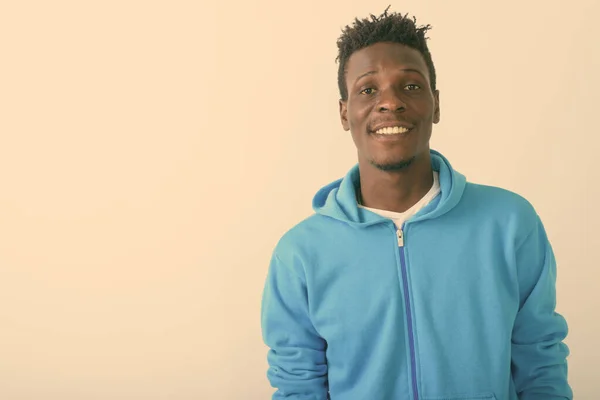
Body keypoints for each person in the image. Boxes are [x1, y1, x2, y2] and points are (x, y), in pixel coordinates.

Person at [260, 6, 572, 400]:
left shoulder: (509, 224)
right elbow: (298, 385)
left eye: (409, 86)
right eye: (368, 89)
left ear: (436, 104)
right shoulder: (300, 254)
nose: (389, 103)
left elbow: (540, 363)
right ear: (344, 112)